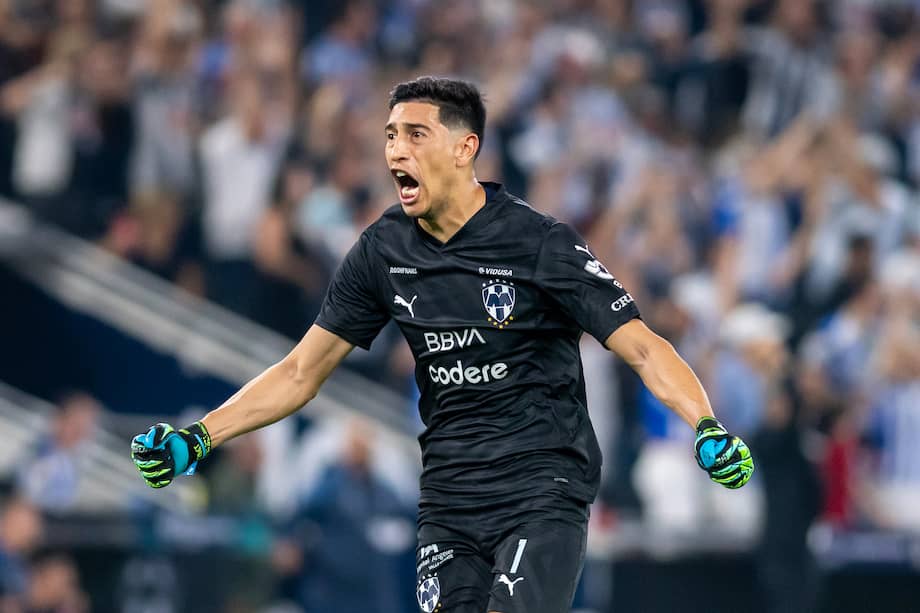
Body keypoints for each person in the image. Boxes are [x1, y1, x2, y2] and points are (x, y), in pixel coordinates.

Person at [131, 76, 754, 613]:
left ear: (465, 149)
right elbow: (300, 371)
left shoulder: (538, 244)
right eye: (390, 136)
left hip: (541, 487)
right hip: (450, 498)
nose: (395, 150)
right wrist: (200, 437)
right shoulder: (383, 251)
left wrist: (705, 425)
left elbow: (643, 346)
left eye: (414, 135)